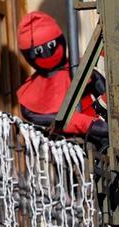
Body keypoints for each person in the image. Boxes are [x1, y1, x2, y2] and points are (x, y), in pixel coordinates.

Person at [16, 11, 108, 145]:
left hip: (101, 140)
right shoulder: (29, 97)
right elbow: (59, 120)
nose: (46, 54)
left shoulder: (82, 69)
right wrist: (90, 125)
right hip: (65, 149)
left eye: (51, 46)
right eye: (38, 51)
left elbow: (108, 96)